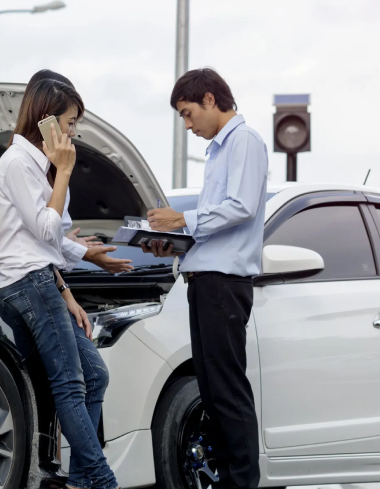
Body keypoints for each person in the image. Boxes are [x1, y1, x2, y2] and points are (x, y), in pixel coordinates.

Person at [0, 78, 119, 489]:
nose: (74, 131)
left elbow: (47, 244)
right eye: (71, 121)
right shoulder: (17, 165)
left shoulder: (33, 166)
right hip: (27, 285)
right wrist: (63, 170)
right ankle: (100, 481)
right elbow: (46, 233)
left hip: (41, 281)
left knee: (94, 374)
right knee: (70, 382)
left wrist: (68, 295)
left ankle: (81, 478)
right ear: (46, 121)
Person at [145, 68, 268, 489]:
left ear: (210, 100)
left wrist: (184, 217)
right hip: (205, 280)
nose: (187, 124)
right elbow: (216, 227)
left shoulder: (244, 141)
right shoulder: (219, 150)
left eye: (187, 112)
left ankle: (242, 484)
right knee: (213, 393)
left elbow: (242, 207)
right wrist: (174, 239)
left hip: (224, 284)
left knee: (228, 391)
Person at [23, 70, 133, 275]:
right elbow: (37, 239)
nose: (73, 132)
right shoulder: (23, 165)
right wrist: (82, 252)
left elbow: (49, 236)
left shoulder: (53, 166)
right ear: (45, 116)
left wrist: (68, 243)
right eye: (70, 122)